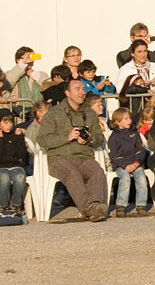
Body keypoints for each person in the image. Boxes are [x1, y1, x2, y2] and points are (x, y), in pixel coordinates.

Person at [36, 79, 108, 222]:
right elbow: (42, 139)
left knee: (97, 171)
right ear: (67, 93)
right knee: (72, 173)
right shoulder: (54, 113)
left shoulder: (90, 113)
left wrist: (89, 139)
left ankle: (94, 206)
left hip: (83, 156)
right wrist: (67, 137)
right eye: (77, 89)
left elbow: (100, 138)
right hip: (59, 157)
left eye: (83, 89)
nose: (82, 92)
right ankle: (90, 208)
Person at [107, 108, 150, 217]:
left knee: (141, 179)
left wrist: (136, 163)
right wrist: (125, 165)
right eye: (125, 119)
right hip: (121, 165)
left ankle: (141, 205)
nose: (129, 121)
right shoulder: (114, 137)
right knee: (125, 179)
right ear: (117, 122)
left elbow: (141, 150)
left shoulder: (134, 133)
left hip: (136, 163)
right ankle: (121, 206)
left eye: (129, 118)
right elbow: (113, 155)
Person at [0, 110, 29, 213]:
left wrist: (19, 138)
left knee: (20, 177)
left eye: (11, 122)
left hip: (15, 165)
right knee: (4, 178)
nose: (9, 126)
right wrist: (1, 139)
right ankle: (3, 204)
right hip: (2, 166)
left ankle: (16, 203)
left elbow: (20, 154)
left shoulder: (16, 134)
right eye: (5, 123)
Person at [6, 47, 48, 114]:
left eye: (30, 58)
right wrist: (22, 65)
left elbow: (47, 85)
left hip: (38, 115)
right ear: (18, 60)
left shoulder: (41, 74)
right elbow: (7, 82)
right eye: (24, 58)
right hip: (19, 114)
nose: (29, 61)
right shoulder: (11, 74)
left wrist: (34, 74)